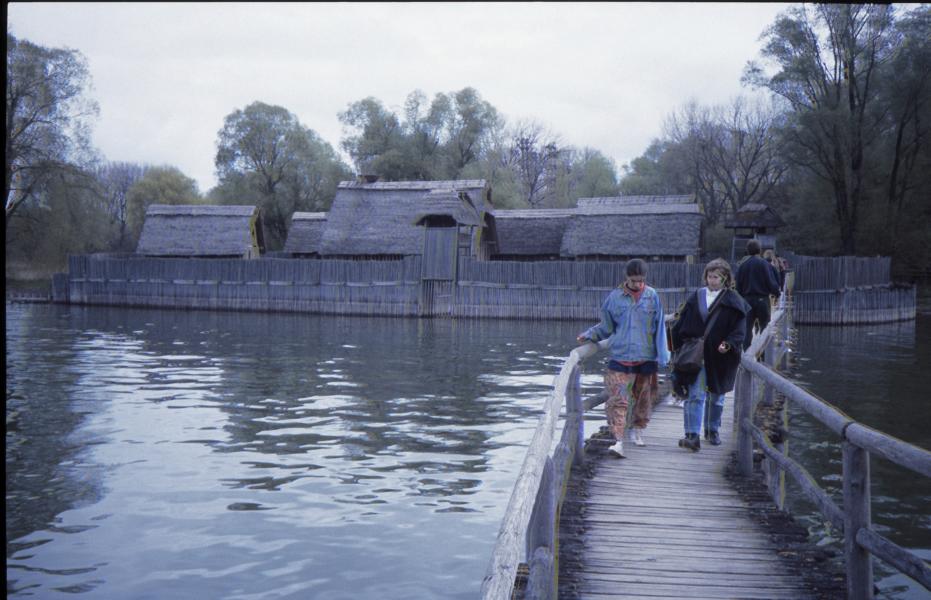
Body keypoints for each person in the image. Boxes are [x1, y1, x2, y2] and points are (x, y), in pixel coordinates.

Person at [576, 258, 669, 458]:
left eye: (641, 280)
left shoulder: (652, 296)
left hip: (646, 356)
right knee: (617, 398)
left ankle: (638, 429)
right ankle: (618, 440)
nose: (637, 284)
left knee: (643, 398)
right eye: (634, 280)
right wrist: (590, 335)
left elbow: (660, 326)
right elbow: (606, 326)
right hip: (620, 356)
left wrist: (663, 355)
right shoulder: (614, 298)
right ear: (626, 278)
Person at [670, 258, 749, 451]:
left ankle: (712, 429)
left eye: (716, 277)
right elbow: (681, 323)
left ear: (725, 279)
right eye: (710, 276)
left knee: (717, 397)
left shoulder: (734, 301)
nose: (712, 280)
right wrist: (675, 347)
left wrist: (729, 344)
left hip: (721, 356)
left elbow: (740, 330)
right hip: (695, 356)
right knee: (695, 395)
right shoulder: (696, 297)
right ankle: (692, 435)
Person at [736, 239, 781, 350]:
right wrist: (777, 293)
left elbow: (738, 285)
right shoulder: (764, 264)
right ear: (759, 250)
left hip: (747, 300)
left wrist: (742, 298)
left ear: (747, 251)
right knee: (764, 329)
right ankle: (763, 354)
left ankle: (746, 353)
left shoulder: (742, 265)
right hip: (762, 300)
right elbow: (771, 282)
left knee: (747, 329)